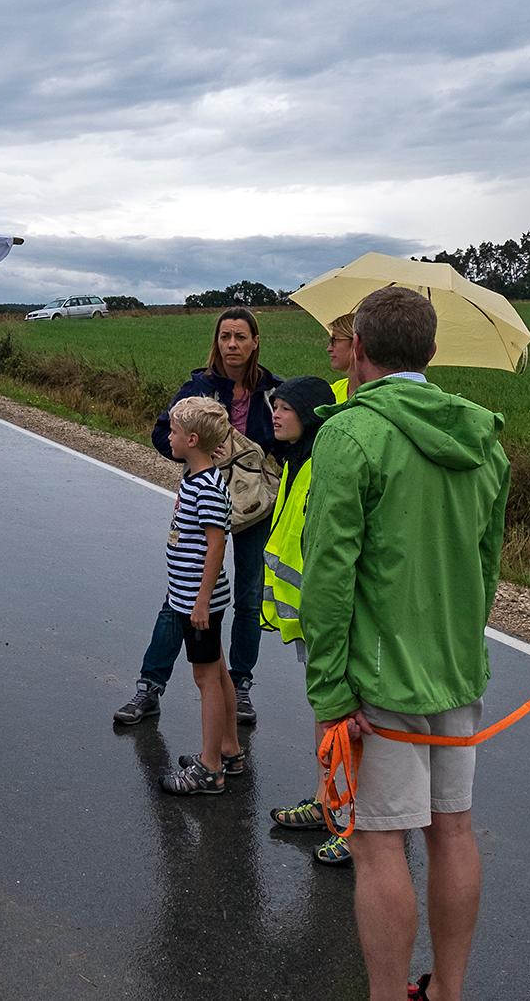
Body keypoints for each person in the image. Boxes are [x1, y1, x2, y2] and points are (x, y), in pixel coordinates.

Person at [299, 286, 509, 1001]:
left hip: (376, 681)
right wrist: (459, 648)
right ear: (433, 351)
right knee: (452, 830)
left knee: (376, 842)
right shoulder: (483, 437)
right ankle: (448, 991)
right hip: (456, 670)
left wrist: (329, 694)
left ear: (356, 348)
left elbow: (328, 576)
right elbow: (486, 566)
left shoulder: (348, 434)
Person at [114, 307, 282, 728]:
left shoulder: (273, 391)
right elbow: (161, 433)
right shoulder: (199, 387)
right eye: (225, 336)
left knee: (247, 596)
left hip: (254, 507)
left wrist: (261, 456)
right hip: (204, 499)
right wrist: (201, 459)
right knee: (182, 595)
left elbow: (292, 439)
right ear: (216, 341)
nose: (232, 345)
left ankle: (239, 686)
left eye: (241, 337)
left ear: (255, 341)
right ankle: (150, 687)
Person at [257, 375, 353, 866]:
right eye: (275, 405)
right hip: (311, 616)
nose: (277, 414)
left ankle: (352, 821)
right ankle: (326, 800)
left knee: (346, 719)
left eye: (287, 407)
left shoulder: (324, 467)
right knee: (326, 713)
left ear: (313, 414)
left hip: (329, 615)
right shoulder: (298, 461)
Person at [156, 396, 242, 796]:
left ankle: (211, 769)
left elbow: (216, 544)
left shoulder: (205, 486)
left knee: (205, 677)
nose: (168, 437)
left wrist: (201, 600)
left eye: (173, 432)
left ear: (191, 439)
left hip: (198, 601)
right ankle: (229, 748)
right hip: (194, 595)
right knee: (218, 669)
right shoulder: (197, 477)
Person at [326, 312, 355, 402]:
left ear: (356, 342)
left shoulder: (383, 396)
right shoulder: (332, 391)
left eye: (335, 340)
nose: (329, 348)